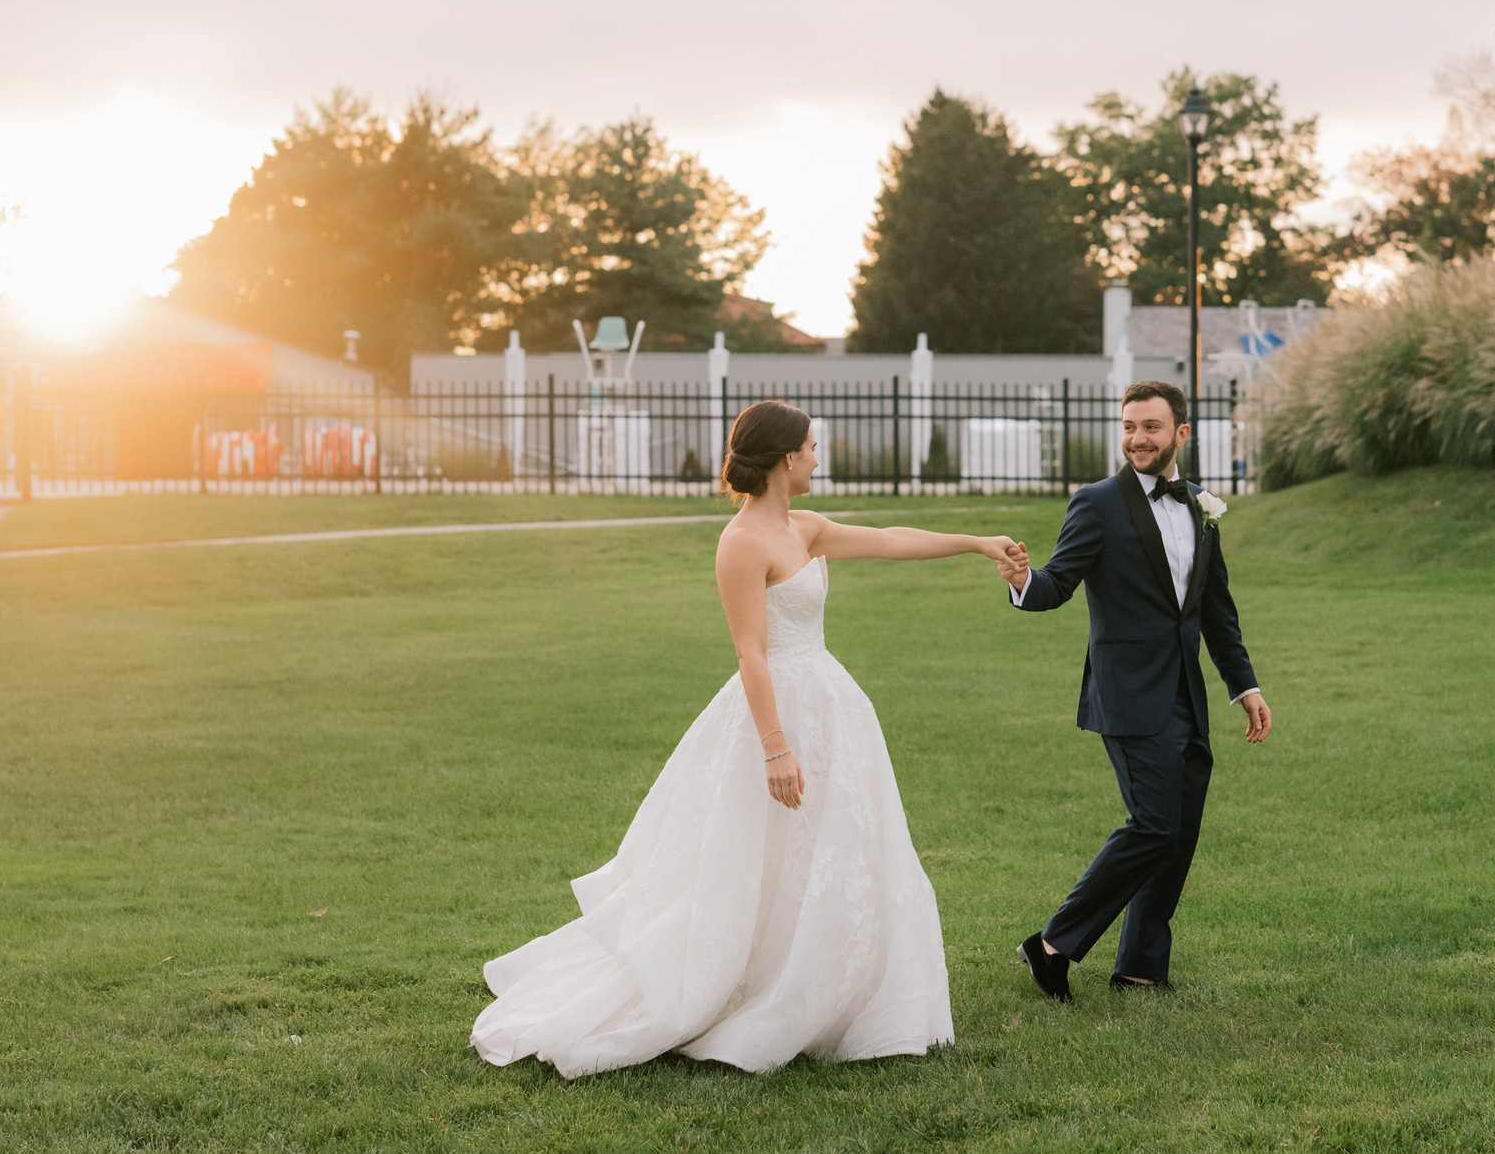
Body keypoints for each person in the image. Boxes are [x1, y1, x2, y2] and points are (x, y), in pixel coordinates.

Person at [471, 399, 1021, 1077]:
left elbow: (889, 538)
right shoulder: (742, 542)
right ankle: (746, 985)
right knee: (755, 856)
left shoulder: (806, 527)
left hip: (834, 709)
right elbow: (751, 653)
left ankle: (823, 985)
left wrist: (975, 543)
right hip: (776, 712)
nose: (820, 457)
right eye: (814, 447)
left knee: (833, 850)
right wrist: (775, 747)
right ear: (787, 456)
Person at [997, 380, 1270, 998]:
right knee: (1153, 823)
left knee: (1180, 831)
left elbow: (1216, 609)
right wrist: (1022, 581)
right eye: (1128, 427)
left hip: (1187, 694)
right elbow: (1056, 585)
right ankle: (1051, 946)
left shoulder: (1201, 503)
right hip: (1126, 693)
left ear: (1181, 433)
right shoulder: (1096, 503)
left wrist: (1244, 686)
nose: (1136, 439)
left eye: (1150, 427)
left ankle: (1141, 967)